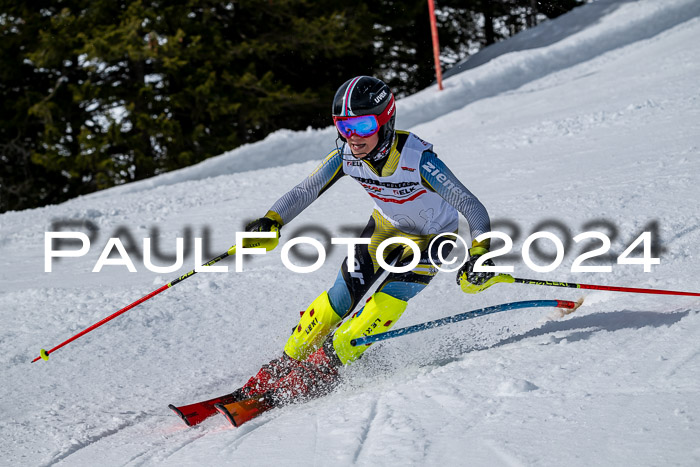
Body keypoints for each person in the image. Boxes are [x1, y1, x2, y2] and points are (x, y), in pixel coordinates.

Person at [234, 76, 494, 410]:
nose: (353, 137)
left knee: (382, 305)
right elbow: (305, 190)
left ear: (386, 121)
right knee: (339, 298)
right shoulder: (345, 154)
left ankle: (326, 365)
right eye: (344, 126)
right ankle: (284, 364)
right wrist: (272, 220)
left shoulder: (418, 159)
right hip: (386, 229)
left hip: (434, 238)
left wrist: (480, 255)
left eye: (363, 125)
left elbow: (471, 206)